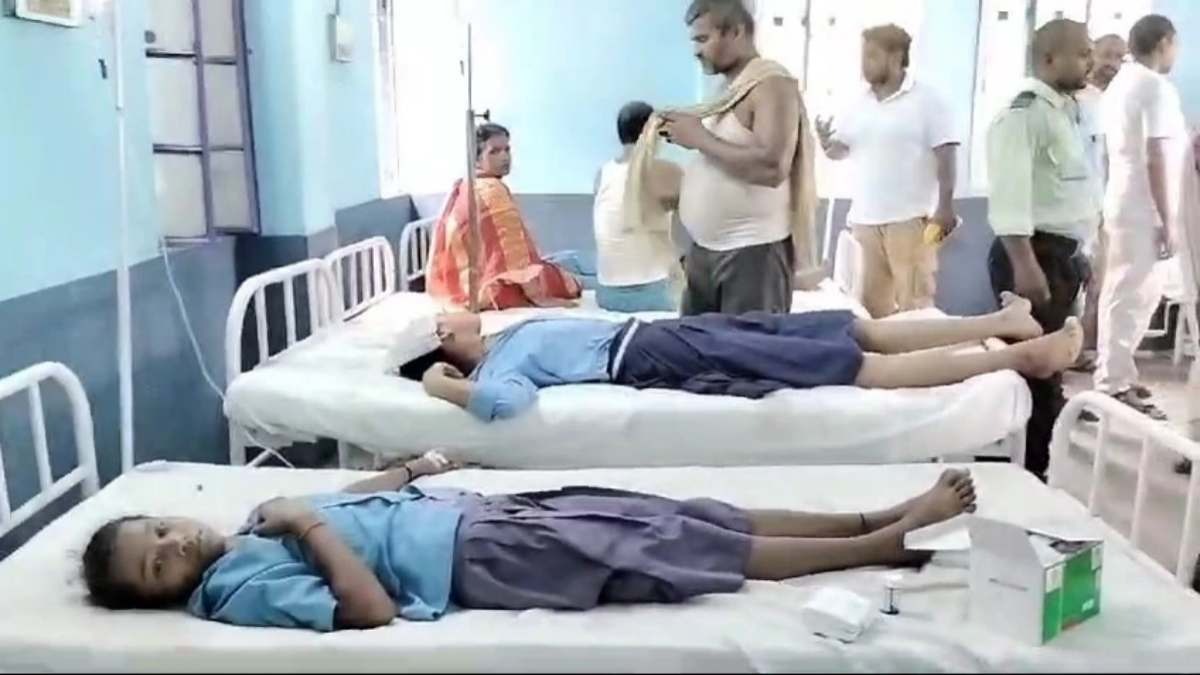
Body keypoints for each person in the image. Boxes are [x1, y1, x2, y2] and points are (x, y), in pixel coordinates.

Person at [81, 451, 979, 632]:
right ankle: (881, 547)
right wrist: (307, 524)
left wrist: (409, 468)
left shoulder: (247, 526)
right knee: (679, 548)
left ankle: (874, 517)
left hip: (474, 513)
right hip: (477, 559)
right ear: (163, 596)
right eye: (159, 566)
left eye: (161, 528)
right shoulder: (237, 592)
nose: (176, 543)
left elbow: (341, 500)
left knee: (691, 512)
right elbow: (368, 608)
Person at [407, 294, 1081, 423]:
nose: (452, 311)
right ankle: (1023, 358)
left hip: (660, 330)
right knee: (849, 364)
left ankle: (1002, 323)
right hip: (648, 353)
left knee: (846, 327)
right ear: (447, 345)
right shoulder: (494, 371)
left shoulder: (505, 335)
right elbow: (508, 404)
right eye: (442, 321)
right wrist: (444, 388)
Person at [648, 0, 819, 316]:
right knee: (697, 344)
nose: (696, 51)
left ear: (736, 32)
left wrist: (699, 138)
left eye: (703, 39)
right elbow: (720, 156)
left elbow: (772, 167)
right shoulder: (727, 90)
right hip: (705, 253)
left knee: (746, 346)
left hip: (752, 255)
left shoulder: (772, 83)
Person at [985, 19, 1101, 480]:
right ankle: (1030, 474)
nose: (1091, 61)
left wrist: (1086, 252)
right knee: (1037, 371)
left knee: (1050, 369)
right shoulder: (1025, 113)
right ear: (1050, 59)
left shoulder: (1068, 112)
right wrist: (1024, 264)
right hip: (1035, 254)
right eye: (1084, 52)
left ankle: (1036, 468)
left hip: (1061, 254)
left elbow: (1072, 192)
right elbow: (1009, 194)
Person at [815, 24, 959, 318]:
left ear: (896, 57)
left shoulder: (928, 100)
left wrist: (945, 206)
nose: (863, 64)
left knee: (915, 307)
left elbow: (946, 154)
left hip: (911, 223)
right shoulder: (858, 104)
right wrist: (826, 142)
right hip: (864, 223)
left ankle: (919, 351)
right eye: (863, 56)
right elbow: (839, 151)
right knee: (868, 310)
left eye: (871, 56)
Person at [1095, 15, 1185, 420]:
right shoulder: (1154, 86)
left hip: (1123, 198)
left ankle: (1117, 374)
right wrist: (1167, 219)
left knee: (1123, 293)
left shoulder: (1122, 84)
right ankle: (1113, 384)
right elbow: (1156, 155)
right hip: (1143, 206)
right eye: (1175, 45)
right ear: (1164, 42)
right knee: (1134, 296)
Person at [427, 123, 583, 310]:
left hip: (459, 286)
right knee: (576, 266)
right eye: (494, 152)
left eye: (507, 149)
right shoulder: (492, 191)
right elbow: (515, 256)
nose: (505, 157)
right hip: (497, 290)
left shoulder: (467, 185)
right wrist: (539, 297)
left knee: (565, 260)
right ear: (476, 159)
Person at [592, 101, 682, 312]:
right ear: (656, 131)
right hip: (656, 292)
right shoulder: (668, 171)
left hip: (607, 295)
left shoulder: (602, 174)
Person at [1074, 33, 1127, 371]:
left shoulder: (1118, 101)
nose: (1113, 64)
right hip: (1077, 203)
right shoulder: (1079, 99)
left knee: (1100, 281)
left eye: (1121, 58)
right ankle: (1071, 349)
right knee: (1075, 280)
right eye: (1108, 55)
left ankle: (1088, 348)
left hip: (1109, 203)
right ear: (1092, 54)